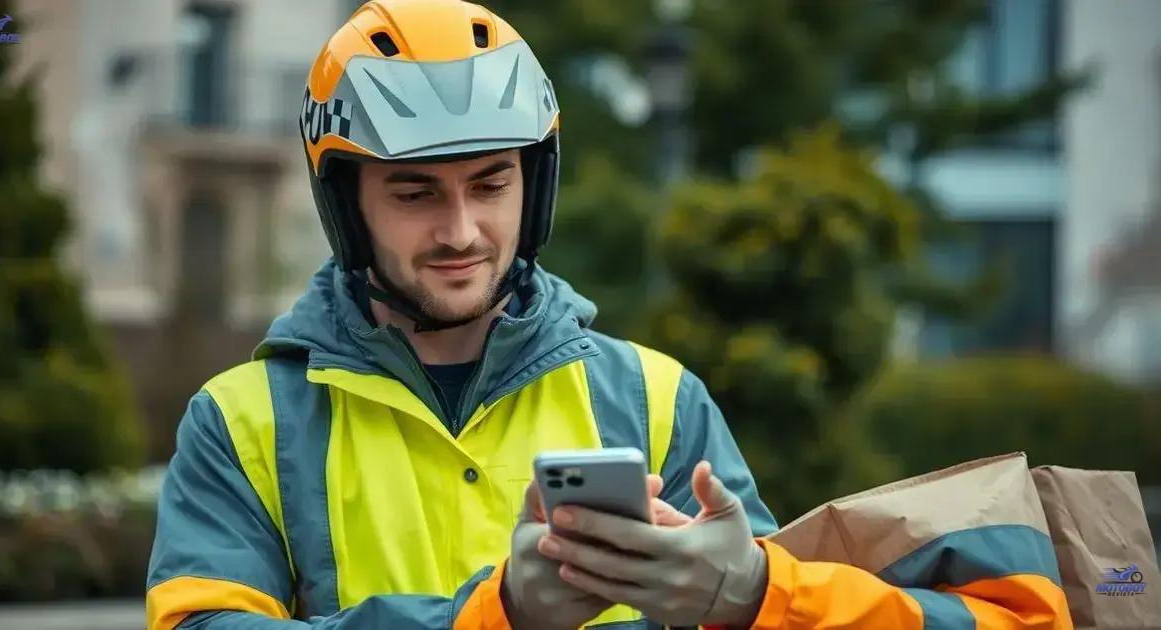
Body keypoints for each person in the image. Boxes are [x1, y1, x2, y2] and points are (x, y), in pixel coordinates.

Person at [146, 1, 1071, 628]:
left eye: (491, 183)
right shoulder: (241, 421)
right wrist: (500, 612)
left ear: (533, 186)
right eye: (416, 193)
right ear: (348, 205)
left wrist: (746, 593)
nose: (462, 229)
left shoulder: (658, 396)